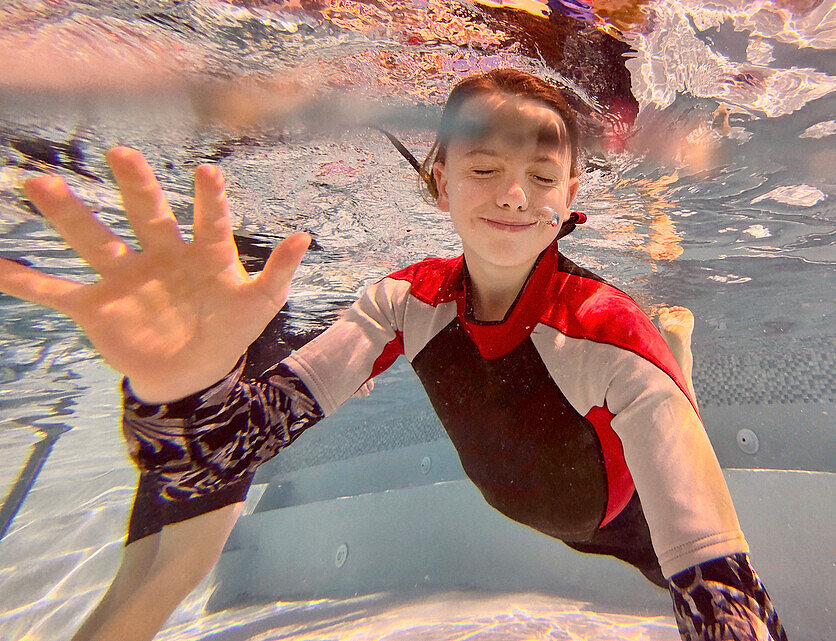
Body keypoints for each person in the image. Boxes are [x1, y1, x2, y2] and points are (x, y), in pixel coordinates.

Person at [0, 69, 788, 641]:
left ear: (573, 191)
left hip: (623, 518)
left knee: (671, 433)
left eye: (542, 175)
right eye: (484, 169)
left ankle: (679, 357)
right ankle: (678, 367)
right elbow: (212, 460)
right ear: (437, 182)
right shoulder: (407, 300)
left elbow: (726, 599)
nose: (514, 194)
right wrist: (183, 390)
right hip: (552, 487)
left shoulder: (606, 332)